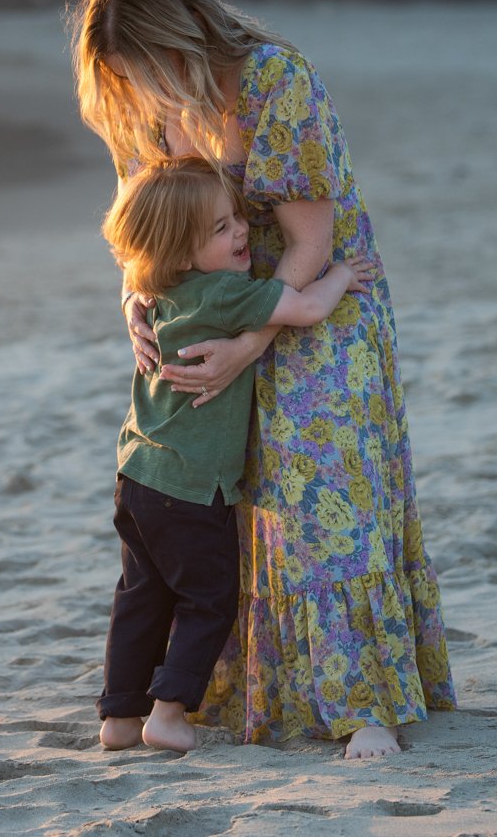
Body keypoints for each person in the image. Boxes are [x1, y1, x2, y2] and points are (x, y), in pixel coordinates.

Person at [68, 0, 457, 759]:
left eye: (152, 66)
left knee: (324, 493)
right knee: (232, 509)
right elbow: (143, 236)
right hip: (214, 306)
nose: (147, 91)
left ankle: (365, 708)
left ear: (182, 36)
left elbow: (312, 238)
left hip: (319, 301)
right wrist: (136, 308)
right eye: (131, 76)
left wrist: (248, 345)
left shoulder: (277, 82)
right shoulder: (143, 110)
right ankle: (247, 693)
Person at [98, 157, 376, 753]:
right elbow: (304, 310)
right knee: (208, 598)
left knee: (142, 595)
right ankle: (168, 714)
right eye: (221, 230)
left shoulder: (157, 290)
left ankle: (119, 716)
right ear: (180, 251)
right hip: (190, 487)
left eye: (236, 218)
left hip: (138, 474)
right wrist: (341, 273)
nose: (242, 232)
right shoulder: (223, 293)